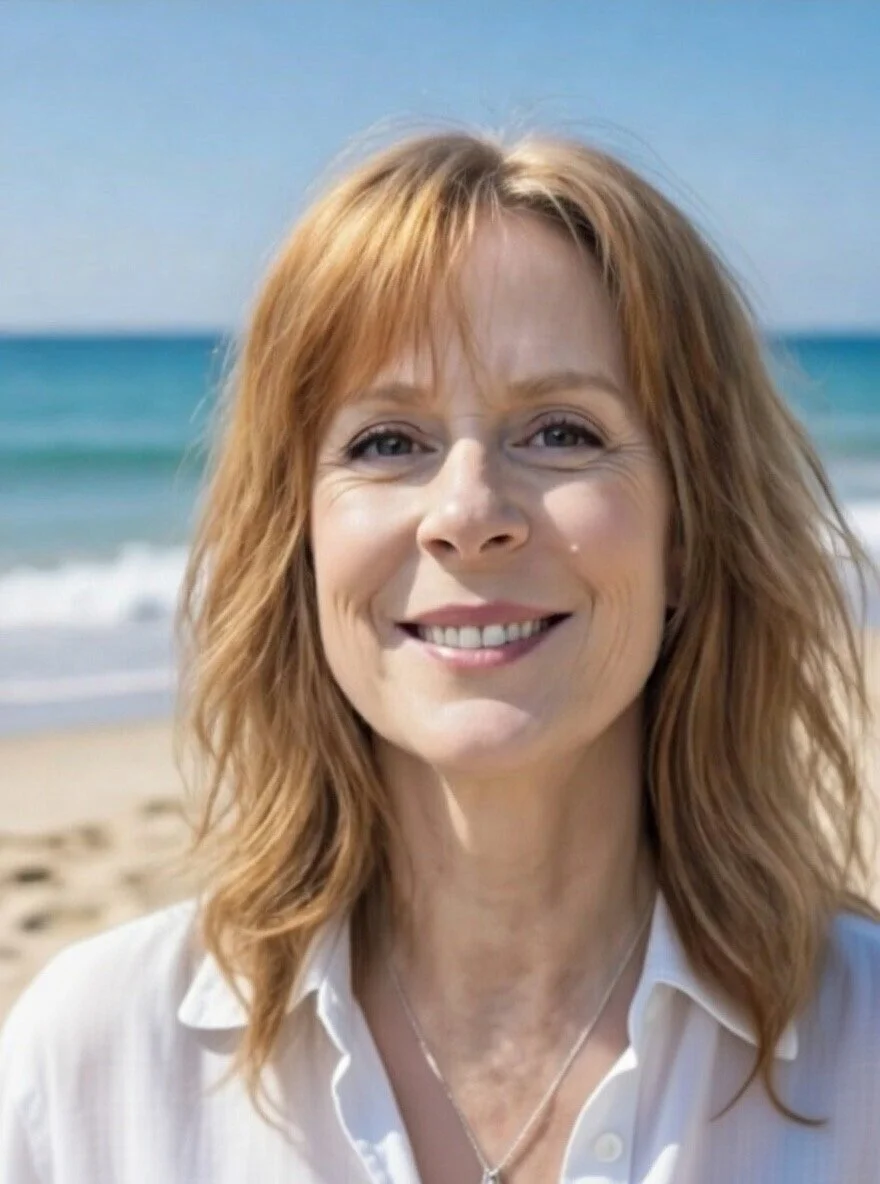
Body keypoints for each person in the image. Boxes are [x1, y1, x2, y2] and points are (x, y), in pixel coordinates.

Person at [1, 129, 879, 1184]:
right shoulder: (96, 1063)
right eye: (386, 442)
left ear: (686, 529)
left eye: (560, 430)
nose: (466, 513)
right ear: (302, 538)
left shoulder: (862, 1051)